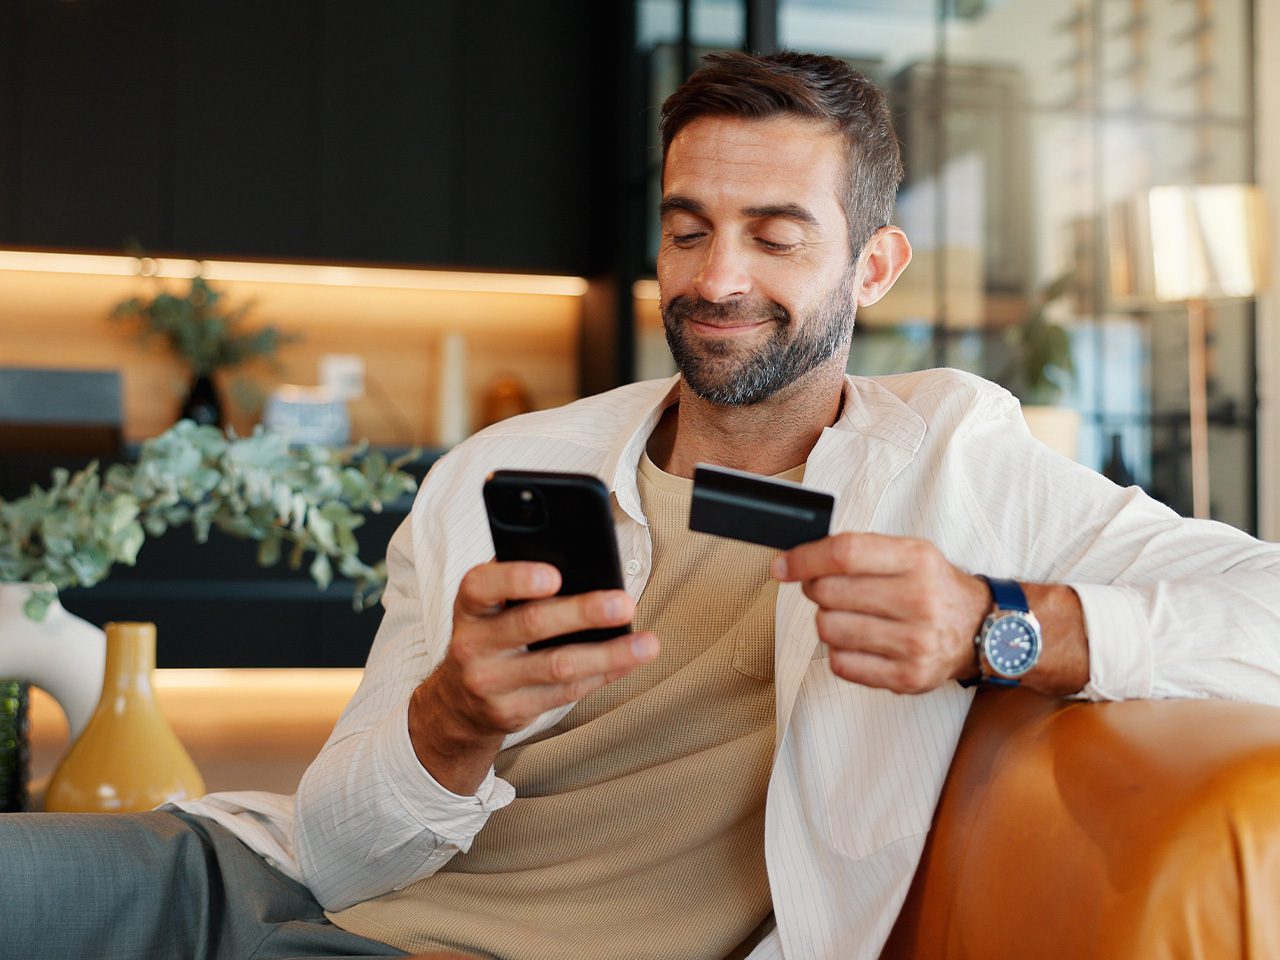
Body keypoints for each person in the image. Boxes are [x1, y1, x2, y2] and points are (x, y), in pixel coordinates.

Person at [4, 50, 1280, 960]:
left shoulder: (957, 460)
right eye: (688, 229)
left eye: (776, 235)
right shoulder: (503, 468)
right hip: (249, 882)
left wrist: (1001, 626)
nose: (716, 278)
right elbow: (336, 856)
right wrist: (448, 722)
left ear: (871, 265)